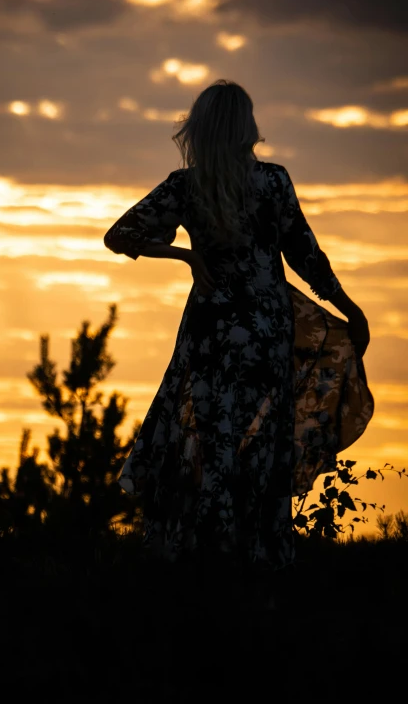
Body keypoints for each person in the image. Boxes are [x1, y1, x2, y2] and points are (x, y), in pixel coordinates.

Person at [103, 79, 373, 607]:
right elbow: (305, 255)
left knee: (214, 440)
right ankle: (262, 561)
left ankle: (208, 561)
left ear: (200, 129)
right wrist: (349, 306)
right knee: (265, 442)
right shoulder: (272, 182)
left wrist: (185, 256)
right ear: (245, 127)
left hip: (212, 329)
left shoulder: (186, 187)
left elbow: (120, 235)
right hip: (267, 329)